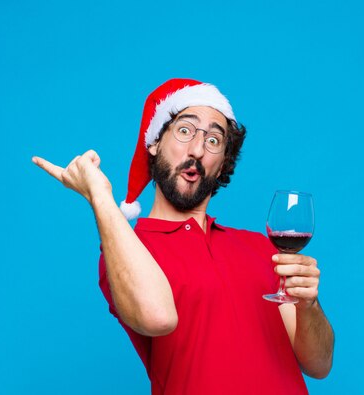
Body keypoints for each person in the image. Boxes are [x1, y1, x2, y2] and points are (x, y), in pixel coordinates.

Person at [33, 78, 334, 394]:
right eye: (185, 131)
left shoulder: (260, 247)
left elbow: (319, 364)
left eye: (214, 141)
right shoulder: (127, 251)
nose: (197, 150)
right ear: (155, 142)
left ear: (221, 165)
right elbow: (157, 318)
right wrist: (100, 195)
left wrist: (309, 305)